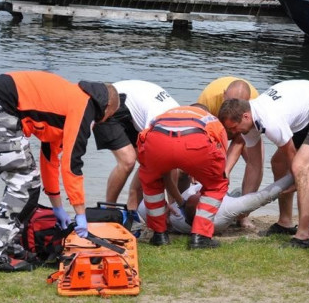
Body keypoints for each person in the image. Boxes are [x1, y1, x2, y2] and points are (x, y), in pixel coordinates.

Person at [0, 71, 120, 272]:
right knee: (24, 183)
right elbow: (72, 165)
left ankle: (9, 245)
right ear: (106, 109)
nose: (103, 123)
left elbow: (50, 160)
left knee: (27, 183)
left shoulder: (69, 105)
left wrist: (58, 207)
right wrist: (80, 212)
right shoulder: (83, 106)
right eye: (108, 117)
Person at [218, 79, 309, 248]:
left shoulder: (270, 121)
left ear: (245, 116)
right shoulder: (248, 123)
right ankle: (285, 222)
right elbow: (254, 165)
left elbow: (292, 155)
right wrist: (243, 209)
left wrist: (298, 180)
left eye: (234, 128)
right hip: (304, 117)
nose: (233, 133)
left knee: (301, 169)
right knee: (278, 163)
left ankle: (303, 236)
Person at [137, 104, 229, 249]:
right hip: (196, 143)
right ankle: (201, 236)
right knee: (216, 185)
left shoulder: (167, 113)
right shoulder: (211, 120)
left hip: (157, 141)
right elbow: (220, 157)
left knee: (151, 182)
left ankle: (159, 235)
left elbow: (144, 138)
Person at [92, 80, 180, 212]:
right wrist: (162, 201)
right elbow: (153, 165)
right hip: (110, 103)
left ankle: (135, 211)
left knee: (167, 164)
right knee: (128, 161)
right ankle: (108, 210)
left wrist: (175, 204)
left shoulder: (181, 123)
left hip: (134, 106)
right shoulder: (156, 123)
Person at [196, 76, 262, 229]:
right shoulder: (209, 97)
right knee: (206, 165)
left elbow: (241, 139)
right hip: (213, 130)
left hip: (242, 132)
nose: (235, 108)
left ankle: (243, 215)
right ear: (224, 94)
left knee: (256, 163)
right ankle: (204, 204)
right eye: (231, 102)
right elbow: (202, 134)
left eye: (240, 105)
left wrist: (227, 168)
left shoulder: (255, 102)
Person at [137, 174, 294, 234]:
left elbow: (143, 205)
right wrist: (294, 176)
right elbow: (264, 196)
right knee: (241, 195)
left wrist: (163, 209)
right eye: (200, 194)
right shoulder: (223, 210)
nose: (199, 192)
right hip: (225, 199)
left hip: (184, 208)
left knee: (180, 173)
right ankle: (236, 196)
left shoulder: (176, 216)